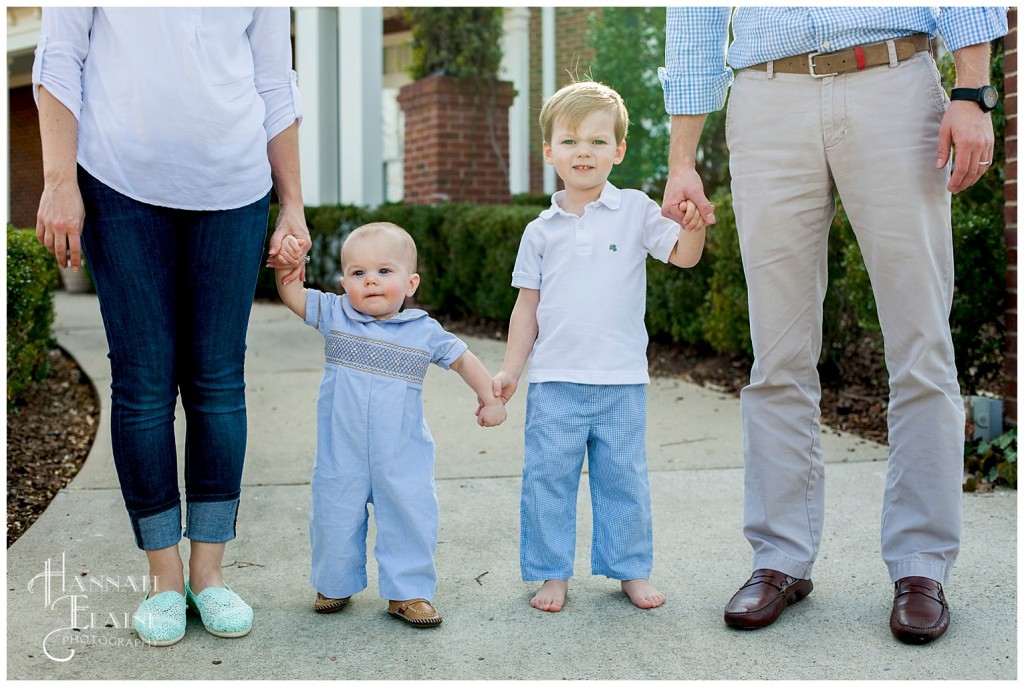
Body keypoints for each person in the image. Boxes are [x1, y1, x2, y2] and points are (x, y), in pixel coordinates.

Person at [660, 7, 1008, 644]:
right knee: (777, 354)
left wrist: (973, 90)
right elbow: (695, 18)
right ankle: (779, 558)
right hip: (766, 99)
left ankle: (921, 565)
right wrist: (682, 156)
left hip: (893, 81)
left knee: (922, 343)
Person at [32, 8, 310, 646]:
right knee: (144, 382)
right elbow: (59, 61)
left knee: (216, 381)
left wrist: (290, 202)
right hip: (119, 182)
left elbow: (275, 83)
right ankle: (163, 577)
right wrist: (58, 179)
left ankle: (208, 575)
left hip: (236, 187)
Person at [492, 81, 706, 613]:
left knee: (623, 482)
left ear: (619, 150)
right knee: (548, 481)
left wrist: (696, 228)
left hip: (621, 380)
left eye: (596, 141)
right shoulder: (539, 231)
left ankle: (629, 569)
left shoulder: (634, 210)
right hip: (555, 381)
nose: (582, 151)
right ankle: (550, 573)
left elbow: (682, 256)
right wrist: (512, 371)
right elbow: (526, 308)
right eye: (569, 141)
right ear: (549, 152)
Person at [274, 222, 507, 627]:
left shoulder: (424, 332)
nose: (371, 281)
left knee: (409, 514)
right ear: (344, 282)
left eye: (385, 271)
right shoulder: (335, 314)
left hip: (401, 452)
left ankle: (409, 592)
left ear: (411, 282)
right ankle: (334, 582)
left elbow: (463, 360)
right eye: (358, 273)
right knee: (334, 513)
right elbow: (294, 294)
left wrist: (490, 397)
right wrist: (287, 266)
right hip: (340, 448)